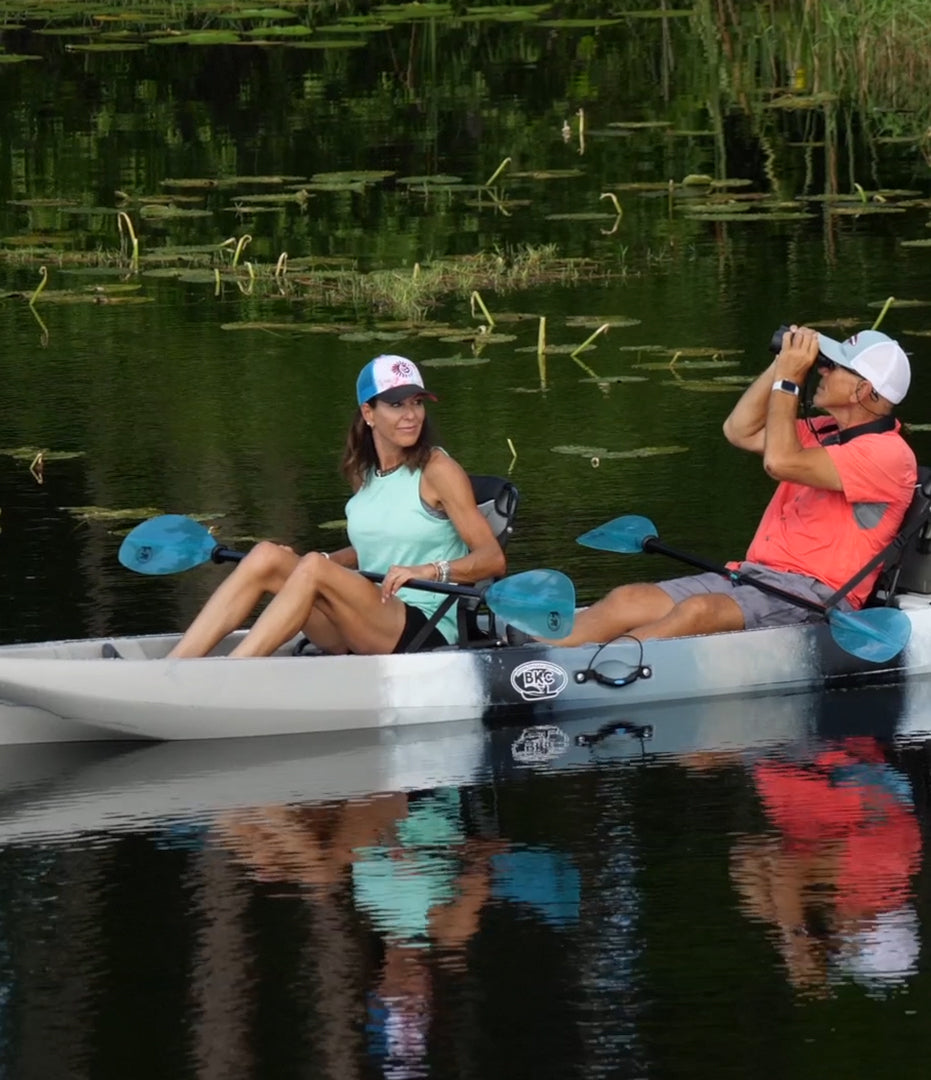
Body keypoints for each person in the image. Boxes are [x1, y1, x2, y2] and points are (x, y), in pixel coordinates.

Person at [547, 325, 917, 646]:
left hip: (814, 596)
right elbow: (740, 430)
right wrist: (780, 365)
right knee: (627, 599)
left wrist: (789, 378)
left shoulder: (888, 455)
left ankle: (592, 670)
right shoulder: (823, 432)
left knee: (699, 611)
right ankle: (535, 654)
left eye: (833, 366)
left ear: (863, 391)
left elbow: (779, 462)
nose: (821, 368)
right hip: (754, 578)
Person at [168, 354, 505, 658]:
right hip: (363, 618)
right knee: (267, 556)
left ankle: (229, 674)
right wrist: (323, 562)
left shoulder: (437, 470)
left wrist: (428, 571)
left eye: (417, 402)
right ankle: (173, 668)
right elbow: (376, 544)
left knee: (313, 567)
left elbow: (492, 559)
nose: (411, 415)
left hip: (423, 625)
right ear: (368, 413)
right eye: (397, 404)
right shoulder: (364, 474)